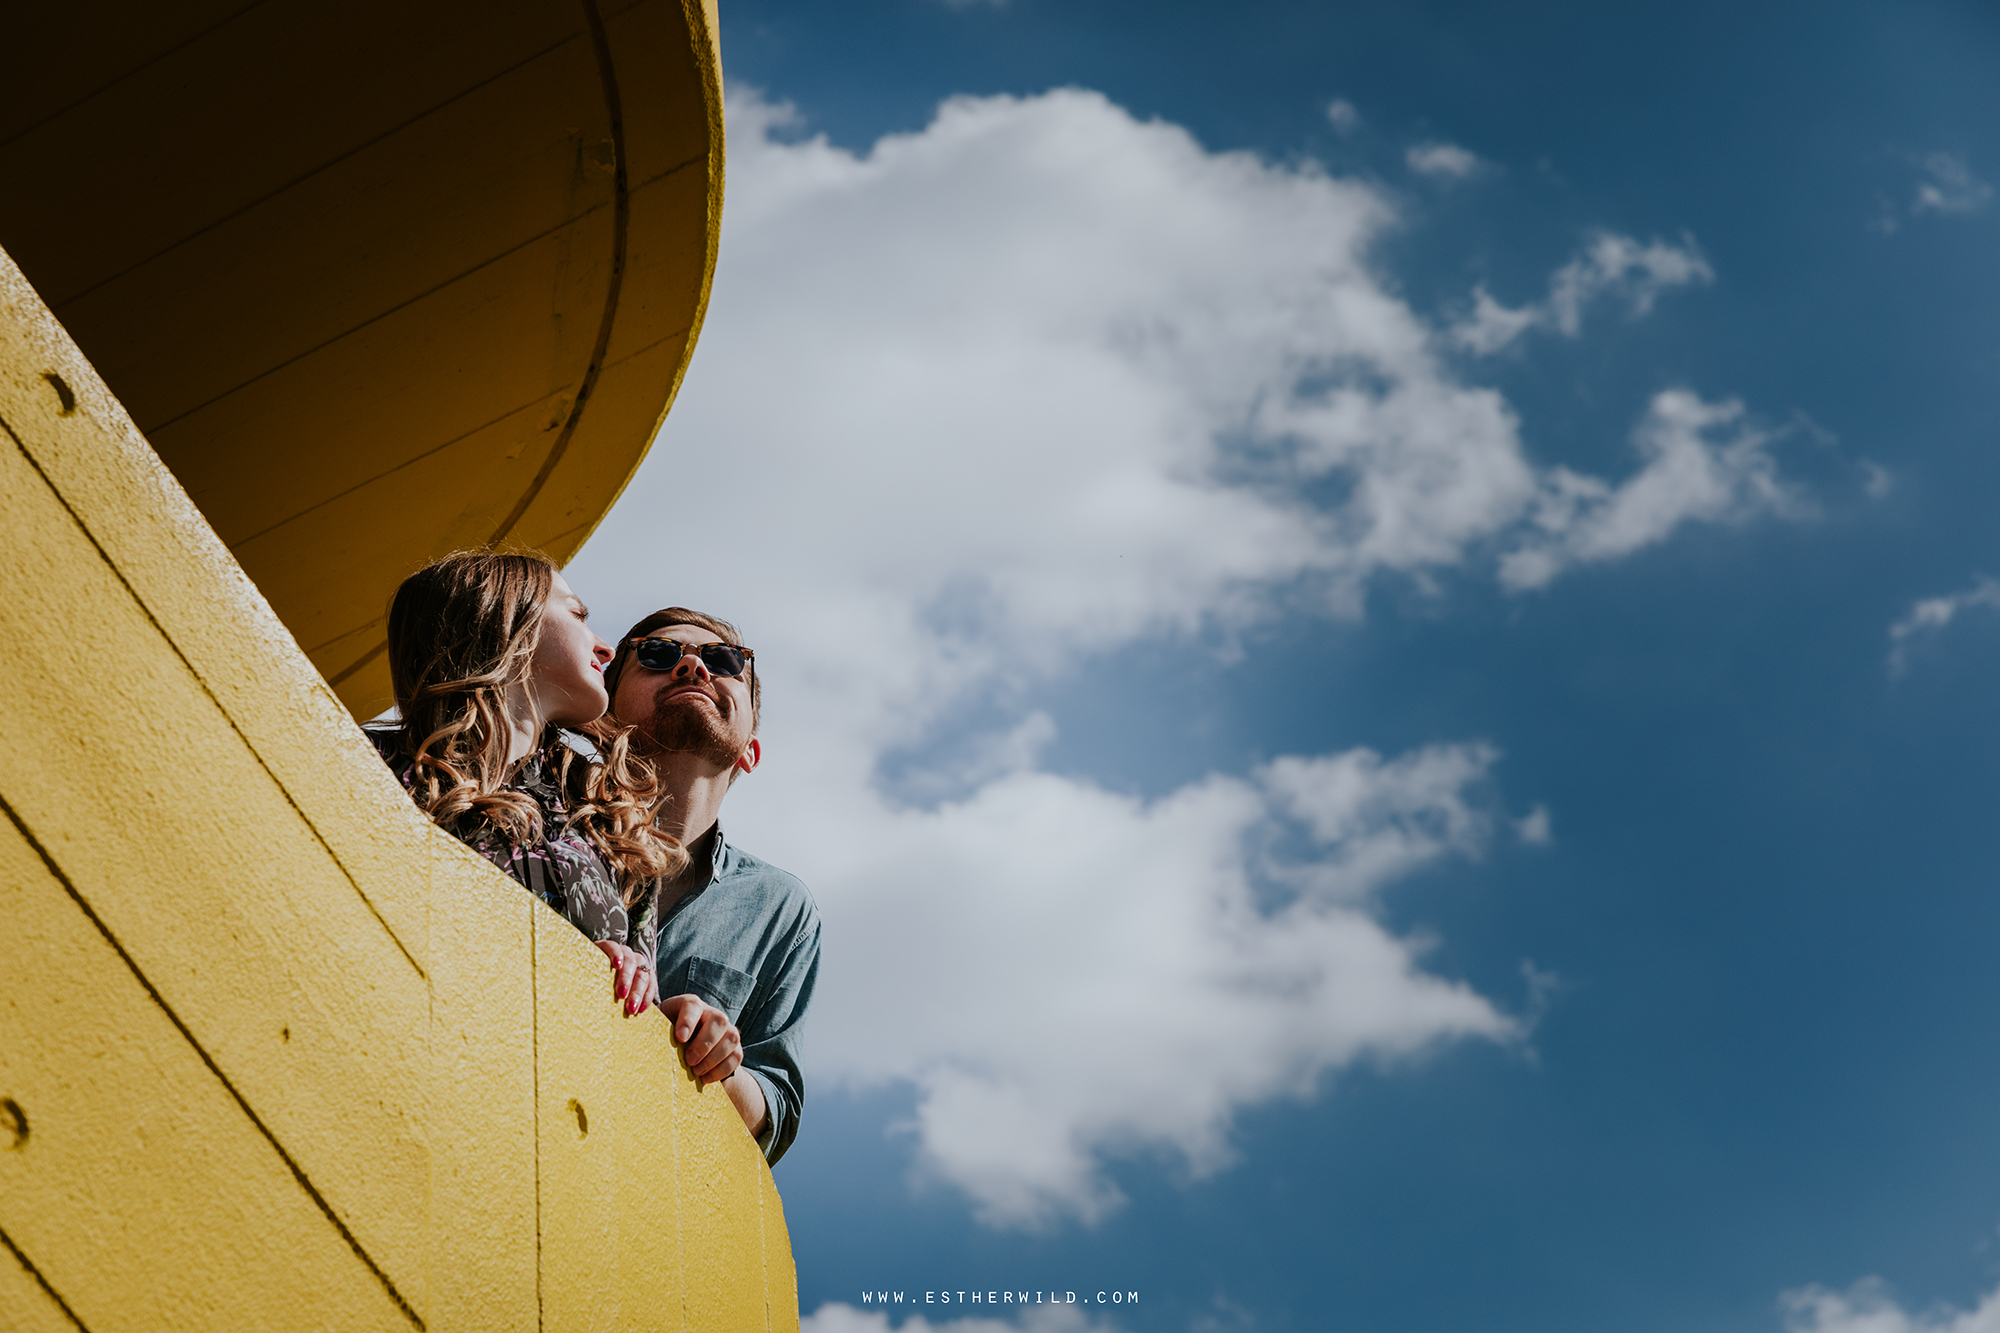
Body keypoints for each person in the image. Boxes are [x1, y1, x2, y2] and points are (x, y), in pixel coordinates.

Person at [372, 550, 682, 1015]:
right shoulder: (368, 764)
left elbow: (642, 1009)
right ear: (501, 619)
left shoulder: (616, 825)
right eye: (578, 614)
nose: (606, 648)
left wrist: (649, 1002)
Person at [604, 607, 821, 1164]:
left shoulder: (779, 906)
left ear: (750, 750)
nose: (692, 668)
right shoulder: (532, 823)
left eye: (725, 662)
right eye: (658, 654)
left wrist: (721, 1065)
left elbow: (775, 1111)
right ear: (601, 719)